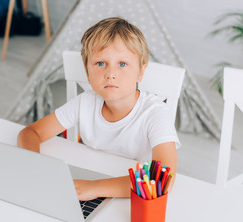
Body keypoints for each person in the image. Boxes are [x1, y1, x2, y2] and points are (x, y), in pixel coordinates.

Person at [17, 17, 180, 201]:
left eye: (122, 64)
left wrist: (93, 188)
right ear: (87, 72)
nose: (110, 74)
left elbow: (162, 180)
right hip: (91, 179)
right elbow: (30, 133)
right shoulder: (84, 102)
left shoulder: (155, 113)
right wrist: (35, 166)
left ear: (141, 72)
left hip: (133, 198)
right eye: (100, 63)